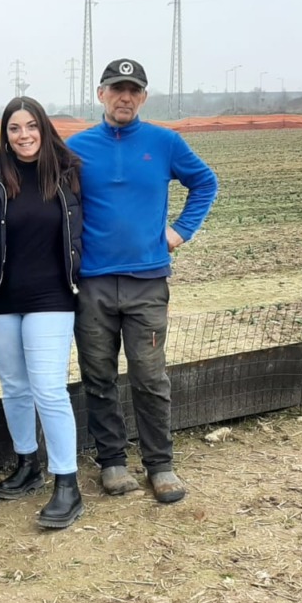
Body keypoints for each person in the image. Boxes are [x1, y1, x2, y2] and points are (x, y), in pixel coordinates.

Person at [67, 58, 218, 504]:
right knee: (98, 376)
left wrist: (180, 231)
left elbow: (205, 183)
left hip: (147, 283)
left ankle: (160, 464)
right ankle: (112, 461)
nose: (125, 97)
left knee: (150, 377)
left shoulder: (164, 143)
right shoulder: (76, 149)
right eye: (117, 89)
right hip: (92, 283)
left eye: (133, 90)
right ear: (101, 94)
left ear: (144, 97)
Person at [0, 96, 85, 529]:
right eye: (14, 128)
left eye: (31, 126)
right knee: (14, 386)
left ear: (43, 127)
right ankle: (27, 464)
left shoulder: (67, 171)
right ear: (5, 133)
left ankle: (67, 484)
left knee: (49, 390)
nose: (23, 136)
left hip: (51, 298)